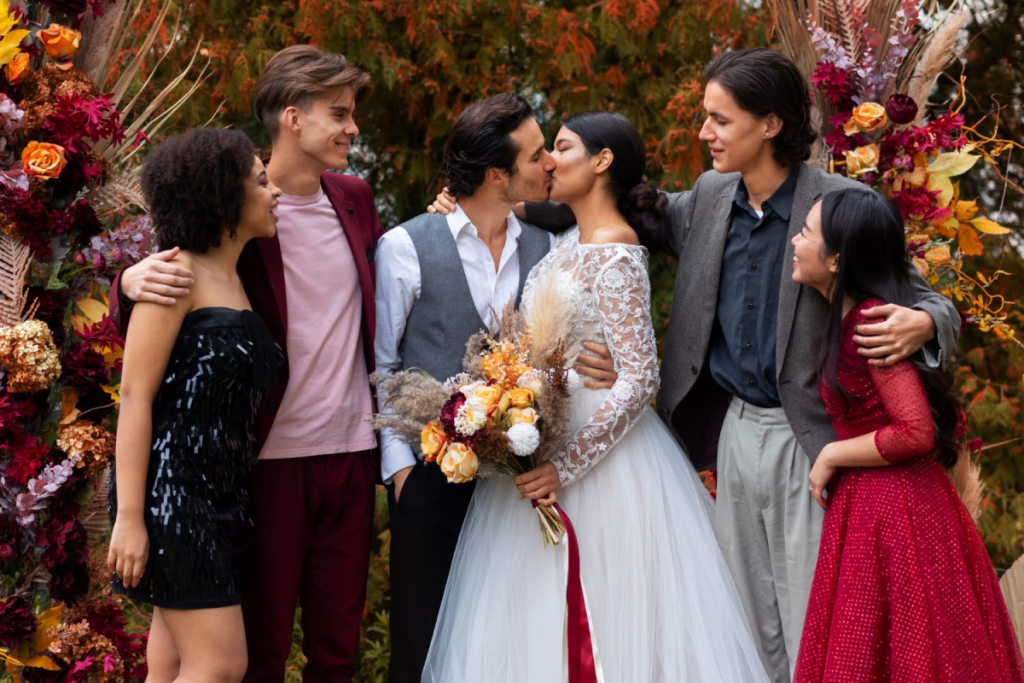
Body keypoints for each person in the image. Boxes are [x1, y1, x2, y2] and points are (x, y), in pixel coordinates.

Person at [501, 48, 961, 682]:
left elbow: (913, 288)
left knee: (811, 619)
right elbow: (616, 205)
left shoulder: (840, 203)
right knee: (740, 622)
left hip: (811, 438)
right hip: (729, 434)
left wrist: (927, 321)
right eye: (703, 116)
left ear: (769, 124)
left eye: (719, 120)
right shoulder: (708, 199)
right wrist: (495, 207)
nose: (703, 133)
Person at [423, 110, 770, 682]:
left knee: (611, 613)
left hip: (601, 461)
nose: (551, 161)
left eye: (561, 147)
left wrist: (563, 466)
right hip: (545, 433)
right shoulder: (562, 240)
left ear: (603, 160)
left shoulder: (615, 250)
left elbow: (639, 379)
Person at [109, 46, 382, 682]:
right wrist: (126, 281)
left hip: (348, 454)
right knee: (244, 655)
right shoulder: (239, 211)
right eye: (338, 114)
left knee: (331, 651)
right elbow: (167, 309)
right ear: (292, 117)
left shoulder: (356, 200)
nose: (353, 128)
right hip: (258, 464)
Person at [374, 93, 617, 683]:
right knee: (422, 641)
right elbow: (380, 367)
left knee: (505, 646)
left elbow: (567, 341)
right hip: (430, 478)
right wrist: (401, 473)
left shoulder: (550, 247)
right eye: (537, 156)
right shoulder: (405, 247)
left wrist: (604, 360)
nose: (550, 165)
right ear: (494, 175)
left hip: (515, 483)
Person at [790, 188, 1024, 682]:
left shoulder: (871, 324)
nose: (795, 239)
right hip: (880, 504)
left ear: (836, 259)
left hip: (897, 512)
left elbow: (915, 431)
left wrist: (832, 452)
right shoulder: (855, 316)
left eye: (807, 232)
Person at [108, 128, 281, 683]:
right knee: (221, 665)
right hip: (172, 497)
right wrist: (132, 520)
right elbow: (134, 399)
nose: (272, 188)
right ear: (224, 196)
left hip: (226, 498)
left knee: (171, 665)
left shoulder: (236, 276)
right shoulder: (173, 278)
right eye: (260, 180)